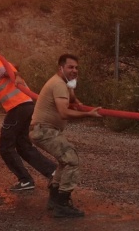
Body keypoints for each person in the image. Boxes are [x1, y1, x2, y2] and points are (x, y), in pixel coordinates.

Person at [0, 45, 57, 191]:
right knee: (23, 145)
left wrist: (16, 76)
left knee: (4, 147)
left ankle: (25, 180)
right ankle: (53, 172)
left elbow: (9, 72)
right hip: (27, 105)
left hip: (18, 108)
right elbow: (10, 69)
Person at [29, 53, 101, 218]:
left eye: (76, 68)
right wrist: (89, 114)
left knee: (64, 160)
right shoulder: (58, 84)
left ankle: (55, 200)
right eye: (70, 67)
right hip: (44, 130)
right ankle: (62, 204)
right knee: (72, 160)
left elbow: (72, 98)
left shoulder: (63, 83)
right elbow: (63, 112)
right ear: (60, 68)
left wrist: (75, 94)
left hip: (42, 130)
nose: (74, 70)